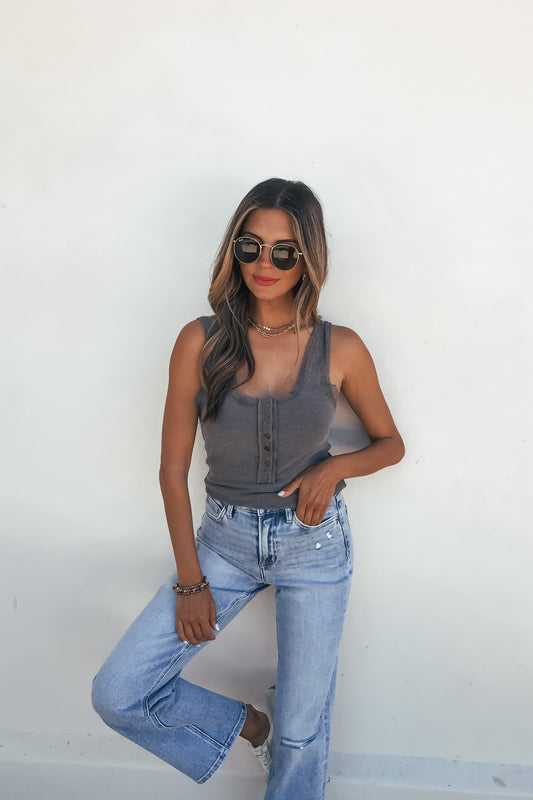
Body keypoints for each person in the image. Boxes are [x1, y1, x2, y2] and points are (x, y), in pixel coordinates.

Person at [91, 178, 405, 799]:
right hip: (224, 542)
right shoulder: (200, 340)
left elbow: (390, 444)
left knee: (303, 734)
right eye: (251, 245)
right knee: (119, 691)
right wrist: (190, 581)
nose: (266, 263)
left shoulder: (339, 347)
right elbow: (171, 469)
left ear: (309, 258)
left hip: (315, 548)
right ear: (233, 249)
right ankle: (249, 724)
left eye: (285, 251)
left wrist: (332, 468)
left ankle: (285, 738)